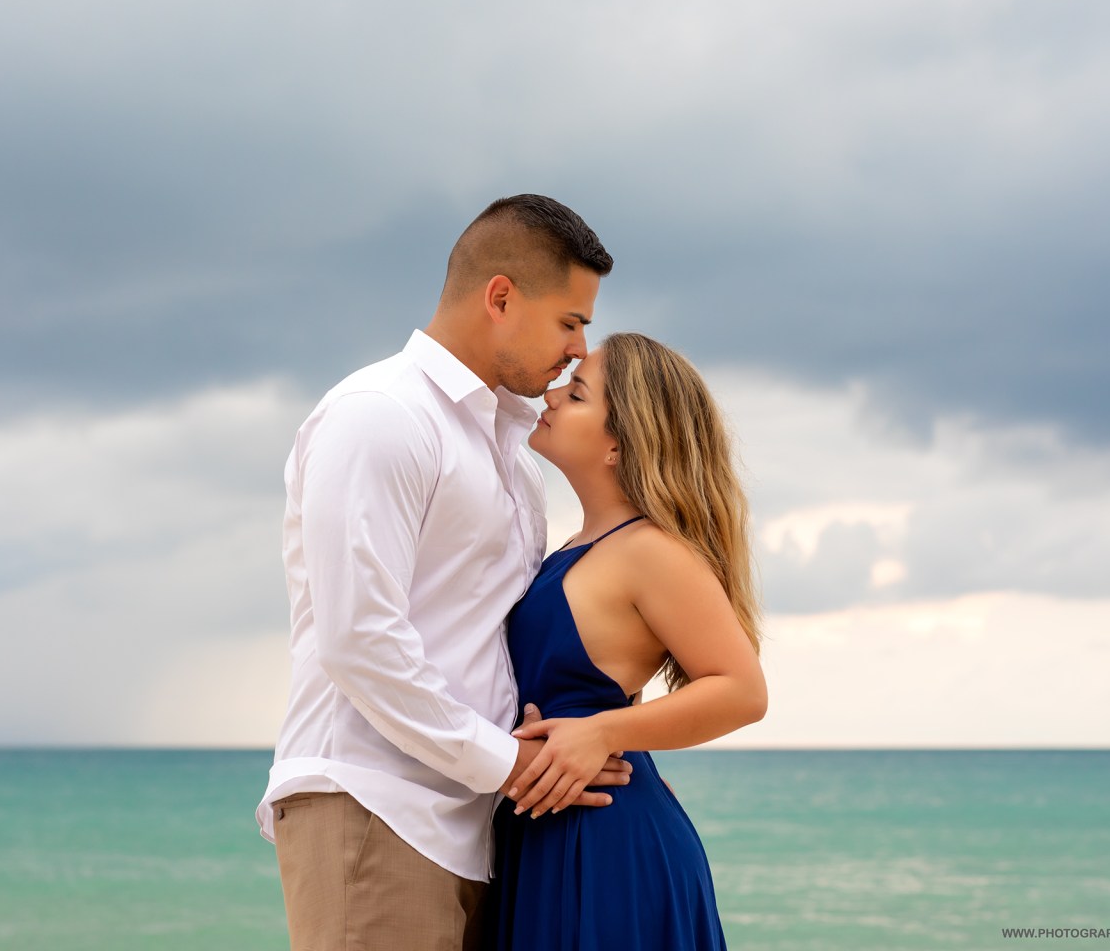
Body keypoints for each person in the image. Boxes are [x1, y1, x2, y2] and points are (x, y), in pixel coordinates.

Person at [256, 194, 631, 951]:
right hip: (376, 805)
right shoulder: (380, 415)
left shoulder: (513, 457)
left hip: (477, 824)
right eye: (570, 321)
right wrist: (510, 763)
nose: (579, 349)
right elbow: (359, 638)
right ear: (501, 297)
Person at [487, 331, 768, 950]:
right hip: (549, 827)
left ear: (619, 444)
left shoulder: (650, 551)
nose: (551, 396)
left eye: (577, 394)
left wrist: (601, 733)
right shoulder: (574, 547)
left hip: (602, 842)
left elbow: (743, 691)